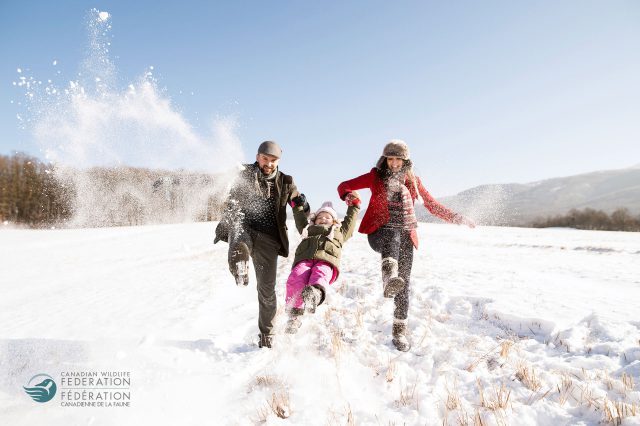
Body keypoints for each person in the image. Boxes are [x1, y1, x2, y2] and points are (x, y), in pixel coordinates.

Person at [337, 140, 475, 352]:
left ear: (405, 161)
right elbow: (344, 185)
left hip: (406, 236)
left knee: (404, 283)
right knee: (393, 232)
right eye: (390, 159)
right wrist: (350, 198)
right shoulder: (375, 177)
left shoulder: (413, 181)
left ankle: (399, 331)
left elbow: (431, 205)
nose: (393, 163)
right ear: (385, 160)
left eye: (398, 159)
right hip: (379, 234)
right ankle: (388, 274)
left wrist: (458, 218)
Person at [214, 141, 309, 349]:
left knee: (266, 291)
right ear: (258, 157)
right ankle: (239, 264)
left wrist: (304, 225)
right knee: (238, 233)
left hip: (269, 239)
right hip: (245, 228)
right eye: (265, 159)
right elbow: (227, 191)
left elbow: (298, 206)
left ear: (278, 161)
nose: (269, 164)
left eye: (273, 160)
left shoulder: (286, 182)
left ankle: (267, 335)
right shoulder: (245, 173)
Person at [284, 196, 361, 334]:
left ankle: (315, 294)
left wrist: (354, 206)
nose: (323, 219)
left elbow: (349, 222)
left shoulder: (339, 232)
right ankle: (294, 316)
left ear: (334, 221)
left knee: (320, 274)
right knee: (295, 277)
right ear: (314, 220)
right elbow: (299, 219)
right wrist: (297, 206)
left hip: (326, 261)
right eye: (320, 217)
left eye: (327, 217)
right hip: (305, 259)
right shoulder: (308, 228)